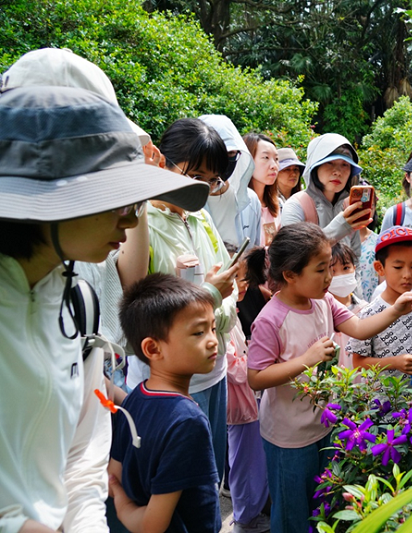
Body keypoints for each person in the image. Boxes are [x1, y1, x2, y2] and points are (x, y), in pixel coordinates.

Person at [0, 85, 207, 533]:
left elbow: (82, 455)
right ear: (49, 200)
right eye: (117, 200)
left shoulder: (79, 304)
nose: (132, 220)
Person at [247, 222, 412, 533]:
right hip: (289, 437)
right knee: (291, 514)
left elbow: (358, 328)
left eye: (329, 266)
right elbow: (257, 378)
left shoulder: (324, 301)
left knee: (321, 507)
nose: (330, 277)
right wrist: (305, 360)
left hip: (325, 426)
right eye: (320, 270)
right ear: (290, 275)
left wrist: (395, 311)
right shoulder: (270, 320)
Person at [126, 117, 239, 482]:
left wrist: (214, 310)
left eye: (212, 181)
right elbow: (140, 311)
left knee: (208, 477)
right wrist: (210, 298)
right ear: (162, 162)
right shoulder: (142, 223)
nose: (204, 189)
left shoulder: (200, 216)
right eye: (195, 177)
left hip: (214, 369)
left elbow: (230, 287)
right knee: (178, 485)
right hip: (171, 383)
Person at [109, 274, 222, 532]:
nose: (213, 340)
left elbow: (113, 475)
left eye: (213, 328)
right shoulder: (188, 421)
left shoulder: (136, 397)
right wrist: (125, 508)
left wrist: (122, 499)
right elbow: (152, 525)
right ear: (152, 349)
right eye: (198, 332)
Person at [221, 246, 270, 533]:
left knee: (249, 458)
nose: (244, 286)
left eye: (244, 279)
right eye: (236, 279)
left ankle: (249, 513)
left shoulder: (233, 313)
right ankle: (245, 517)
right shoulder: (223, 318)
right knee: (243, 462)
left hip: (247, 403)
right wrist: (255, 363)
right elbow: (233, 364)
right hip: (240, 405)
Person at [347, 227, 412, 379]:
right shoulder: (369, 314)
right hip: (382, 399)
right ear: (380, 268)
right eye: (398, 267)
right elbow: (358, 363)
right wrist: (394, 363)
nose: (407, 275)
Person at [282, 133, 372, 261]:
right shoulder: (296, 205)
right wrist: (339, 228)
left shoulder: (348, 206)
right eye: (329, 163)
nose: (337, 171)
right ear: (315, 167)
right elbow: (291, 255)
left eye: (345, 165)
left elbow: (355, 257)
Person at [201, 115, 262, 250]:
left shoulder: (250, 201)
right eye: (219, 154)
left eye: (231, 153)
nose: (225, 161)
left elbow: (254, 251)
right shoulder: (186, 202)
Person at [328, 243, 367, 372]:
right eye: (333, 271)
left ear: (354, 269)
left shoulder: (365, 309)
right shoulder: (321, 311)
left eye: (345, 268)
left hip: (360, 384)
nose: (340, 275)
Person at [244, 133, 282, 246]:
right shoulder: (239, 206)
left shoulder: (278, 205)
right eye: (266, 158)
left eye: (276, 159)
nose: (274, 165)